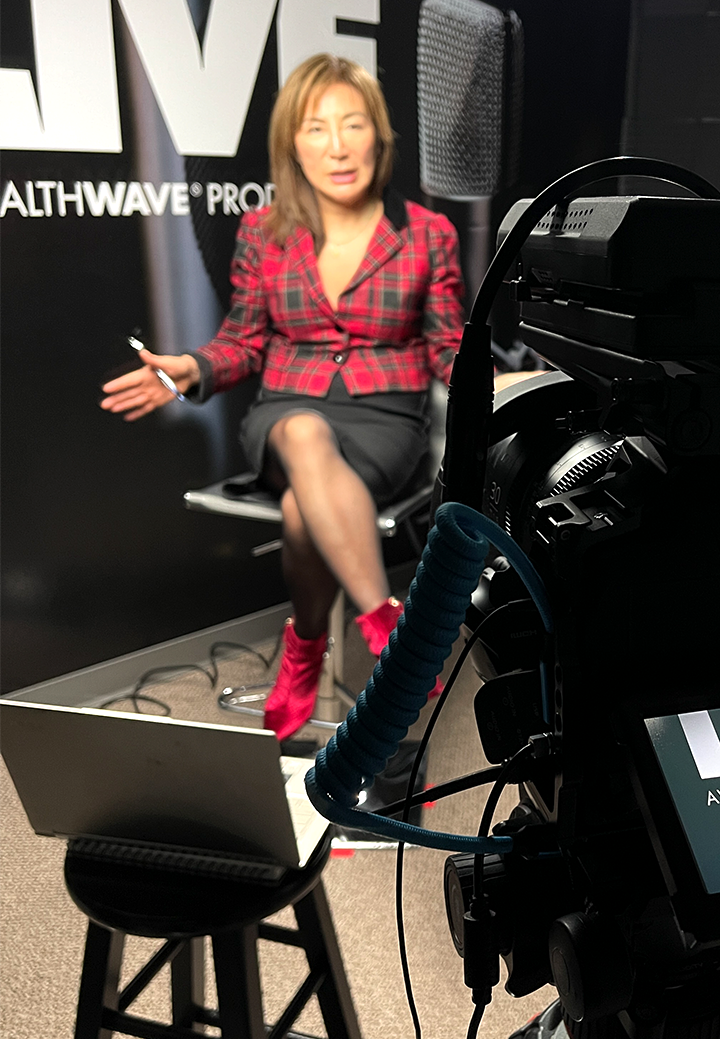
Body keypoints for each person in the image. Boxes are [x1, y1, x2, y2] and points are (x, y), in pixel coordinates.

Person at [101, 54, 465, 742]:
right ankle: (391, 629)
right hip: (284, 414)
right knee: (302, 433)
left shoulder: (426, 234)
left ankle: (304, 643)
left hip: (385, 420)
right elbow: (243, 343)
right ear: (293, 145)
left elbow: (448, 346)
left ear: (378, 135)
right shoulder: (263, 232)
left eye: (352, 124)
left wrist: (494, 382)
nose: (337, 146)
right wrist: (188, 368)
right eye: (316, 128)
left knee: (303, 512)